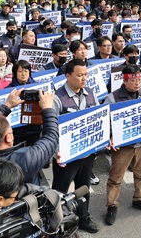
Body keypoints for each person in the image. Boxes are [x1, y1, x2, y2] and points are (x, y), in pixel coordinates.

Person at [0, 88, 57, 185]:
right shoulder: (25, 159)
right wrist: (48, 108)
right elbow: (51, 137)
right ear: (8, 137)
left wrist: (6, 106)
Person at [52, 59, 100, 233]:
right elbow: (50, 128)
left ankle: (83, 218)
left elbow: (97, 118)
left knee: (83, 188)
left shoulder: (90, 93)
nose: (84, 78)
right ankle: (57, 224)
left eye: (86, 74)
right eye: (80, 75)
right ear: (67, 76)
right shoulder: (57, 98)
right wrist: (56, 150)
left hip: (86, 153)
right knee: (60, 192)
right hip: (66, 155)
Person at [102, 65, 141, 226]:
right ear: (125, 81)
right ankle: (112, 205)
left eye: (140, 79)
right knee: (116, 177)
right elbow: (105, 121)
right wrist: (109, 137)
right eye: (133, 80)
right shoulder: (113, 98)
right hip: (122, 145)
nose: (138, 83)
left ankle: (139, 198)